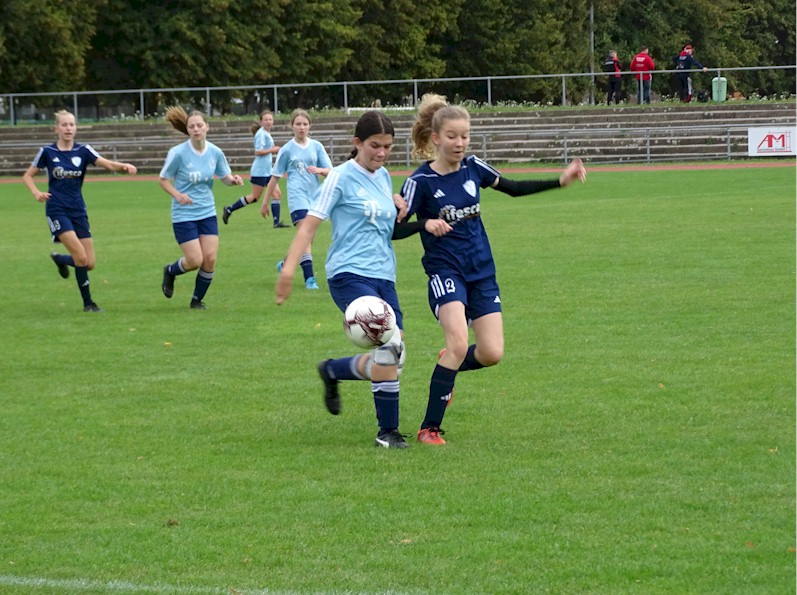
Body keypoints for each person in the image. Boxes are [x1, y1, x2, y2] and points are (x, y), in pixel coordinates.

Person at [399, 94, 587, 445]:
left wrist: (560, 181)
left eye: (465, 135)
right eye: (453, 136)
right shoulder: (419, 182)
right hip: (445, 272)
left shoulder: (474, 168)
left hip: (481, 271)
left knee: (491, 353)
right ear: (436, 138)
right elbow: (394, 229)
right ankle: (429, 428)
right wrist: (424, 224)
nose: (460, 142)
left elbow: (513, 188)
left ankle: (449, 366)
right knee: (457, 342)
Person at [275, 110, 452, 449]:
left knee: (394, 355)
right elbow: (309, 225)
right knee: (389, 345)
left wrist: (416, 221)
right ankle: (387, 433)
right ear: (357, 143)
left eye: (387, 146)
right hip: (348, 273)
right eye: (374, 146)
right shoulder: (340, 177)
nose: (381, 153)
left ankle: (332, 370)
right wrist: (288, 269)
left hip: (384, 275)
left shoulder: (384, 177)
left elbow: (390, 232)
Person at [22, 109, 138, 312]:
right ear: (56, 128)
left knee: (89, 262)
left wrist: (124, 165)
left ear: (76, 128)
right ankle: (89, 304)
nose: (68, 128)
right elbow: (27, 176)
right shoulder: (48, 152)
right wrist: (36, 193)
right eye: (64, 125)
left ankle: (60, 259)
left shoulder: (83, 151)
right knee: (81, 258)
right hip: (57, 209)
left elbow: (108, 164)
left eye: (72, 124)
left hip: (78, 210)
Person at [159, 106, 244, 310]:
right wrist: (178, 195)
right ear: (187, 130)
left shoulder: (215, 152)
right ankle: (170, 271)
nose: (196, 129)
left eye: (199, 125)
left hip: (207, 212)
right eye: (192, 126)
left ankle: (196, 300)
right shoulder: (178, 153)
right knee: (195, 260)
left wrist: (234, 180)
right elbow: (163, 180)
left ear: (207, 127)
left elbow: (224, 177)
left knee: (210, 259)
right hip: (183, 214)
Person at [262, 109, 332, 290]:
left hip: (315, 198)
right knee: (306, 237)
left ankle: (286, 263)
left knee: (307, 238)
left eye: (305, 124)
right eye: (298, 124)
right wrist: (264, 202)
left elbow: (331, 172)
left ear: (310, 126)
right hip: (297, 197)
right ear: (292, 125)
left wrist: (320, 171)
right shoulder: (286, 150)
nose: (302, 127)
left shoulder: (316, 146)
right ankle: (310, 279)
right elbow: (274, 178)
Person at [221, 109, 289, 227]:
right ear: (261, 121)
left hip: (268, 171)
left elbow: (268, 149)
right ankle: (229, 209)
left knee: (277, 193)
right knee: (254, 197)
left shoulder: (267, 133)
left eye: (270, 119)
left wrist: (275, 150)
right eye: (266, 119)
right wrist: (272, 150)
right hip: (260, 171)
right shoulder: (261, 134)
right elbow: (258, 152)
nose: (268, 121)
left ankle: (276, 222)